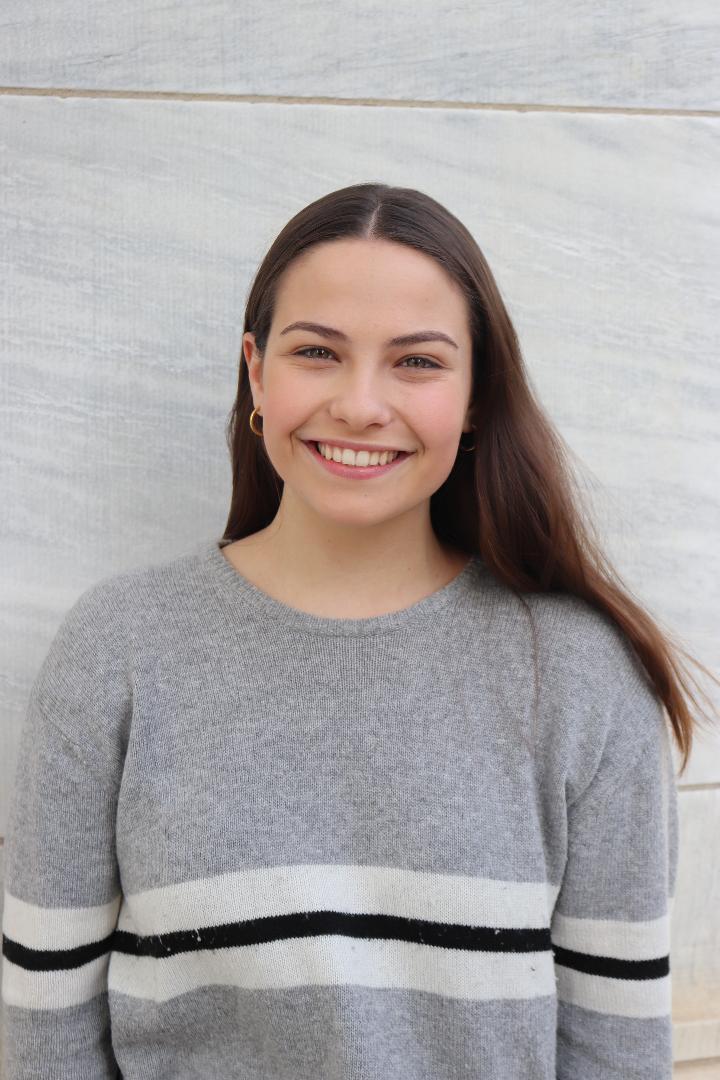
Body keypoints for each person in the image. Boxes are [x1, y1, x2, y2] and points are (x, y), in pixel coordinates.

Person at [2, 182, 717, 1080]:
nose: (360, 404)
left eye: (416, 362)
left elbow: (617, 1052)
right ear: (257, 372)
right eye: (317, 352)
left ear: (477, 395)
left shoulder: (581, 677)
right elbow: (48, 1032)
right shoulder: (117, 651)